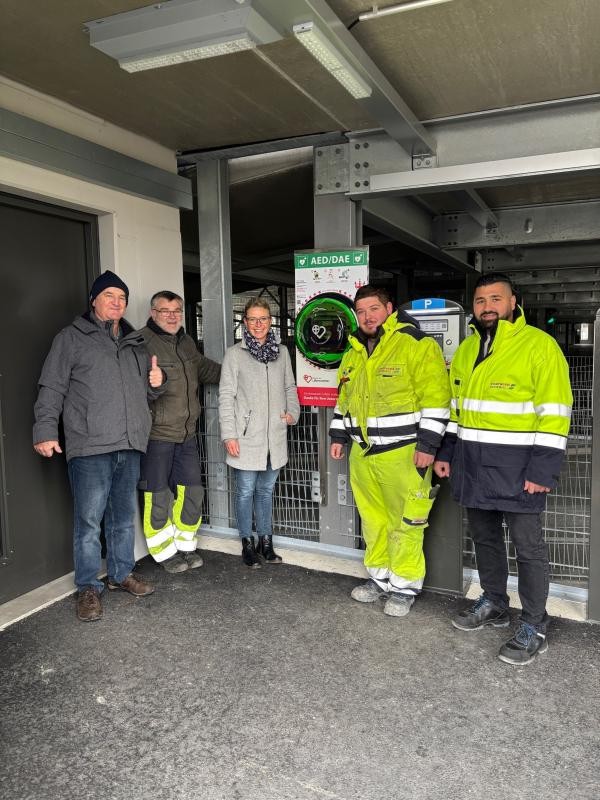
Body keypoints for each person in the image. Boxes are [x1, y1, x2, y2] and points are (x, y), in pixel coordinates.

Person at [434, 273, 572, 665]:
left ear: (513, 302)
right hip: (474, 466)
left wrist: (542, 471)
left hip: (519, 470)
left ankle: (534, 623)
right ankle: (495, 601)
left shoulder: (539, 347)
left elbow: (555, 414)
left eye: (496, 298)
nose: (487, 306)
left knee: (529, 549)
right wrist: (446, 451)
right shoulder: (467, 349)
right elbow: (455, 411)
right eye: (480, 301)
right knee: (485, 539)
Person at [33, 270, 164, 622]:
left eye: (121, 298)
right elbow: (52, 387)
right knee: (89, 521)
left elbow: (145, 393)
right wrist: (45, 430)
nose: (117, 303)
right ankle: (88, 586)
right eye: (109, 296)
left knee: (123, 518)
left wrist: (157, 382)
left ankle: (121, 574)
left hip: (129, 443)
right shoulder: (71, 339)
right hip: (90, 445)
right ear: (94, 300)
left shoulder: (137, 343)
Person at [329, 285, 451, 617]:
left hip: (405, 454)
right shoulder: (353, 352)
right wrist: (338, 437)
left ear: (389, 309)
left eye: (374, 309)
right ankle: (380, 579)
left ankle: (405, 585)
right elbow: (344, 402)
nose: (367, 316)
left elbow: (437, 400)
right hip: (362, 455)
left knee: (407, 522)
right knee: (373, 521)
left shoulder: (415, 345)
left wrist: (428, 446)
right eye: (361, 311)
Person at [138, 290, 221, 573]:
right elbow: (132, 391)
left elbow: (206, 370)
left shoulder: (185, 342)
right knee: (158, 495)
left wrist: (239, 370)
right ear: (153, 313)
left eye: (176, 311)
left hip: (186, 434)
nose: (172, 316)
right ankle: (163, 552)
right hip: (156, 435)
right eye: (165, 311)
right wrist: (151, 384)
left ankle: (185, 544)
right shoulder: (141, 343)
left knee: (192, 491)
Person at [218, 298, 299, 567]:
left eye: (263, 319)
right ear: (245, 322)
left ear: (270, 321)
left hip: (274, 435)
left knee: (266, 491)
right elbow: (226, 396)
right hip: (246, 437)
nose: (258, 324)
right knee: (245, 492)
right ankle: (247, 542)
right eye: (252, 319)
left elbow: (290, 387)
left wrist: (292, 413)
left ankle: (266, 541)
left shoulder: (282, 353)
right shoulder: (234, 354)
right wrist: (229, 434)